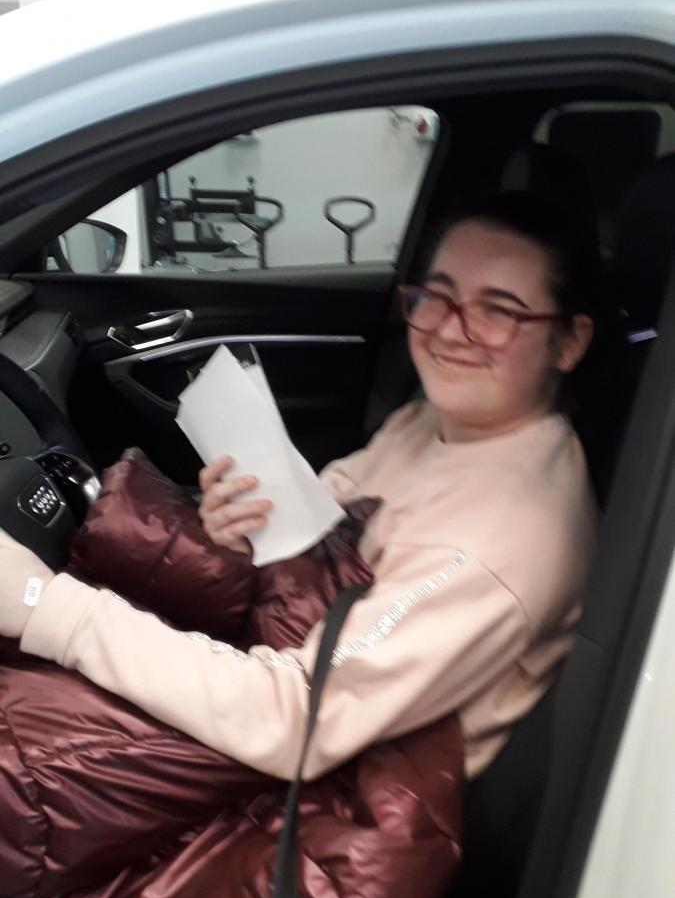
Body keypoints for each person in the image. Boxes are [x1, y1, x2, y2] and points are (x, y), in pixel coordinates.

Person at [0, 193, 597, 782]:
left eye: (498, 311)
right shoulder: (440, 423)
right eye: (437, 295)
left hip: (324, 798)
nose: (447, 330)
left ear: (570, 341)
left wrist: (42, 604)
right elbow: (327, 528)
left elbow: (292, 719)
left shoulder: (497, 544)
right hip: (292, 688)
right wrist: (246, 529)